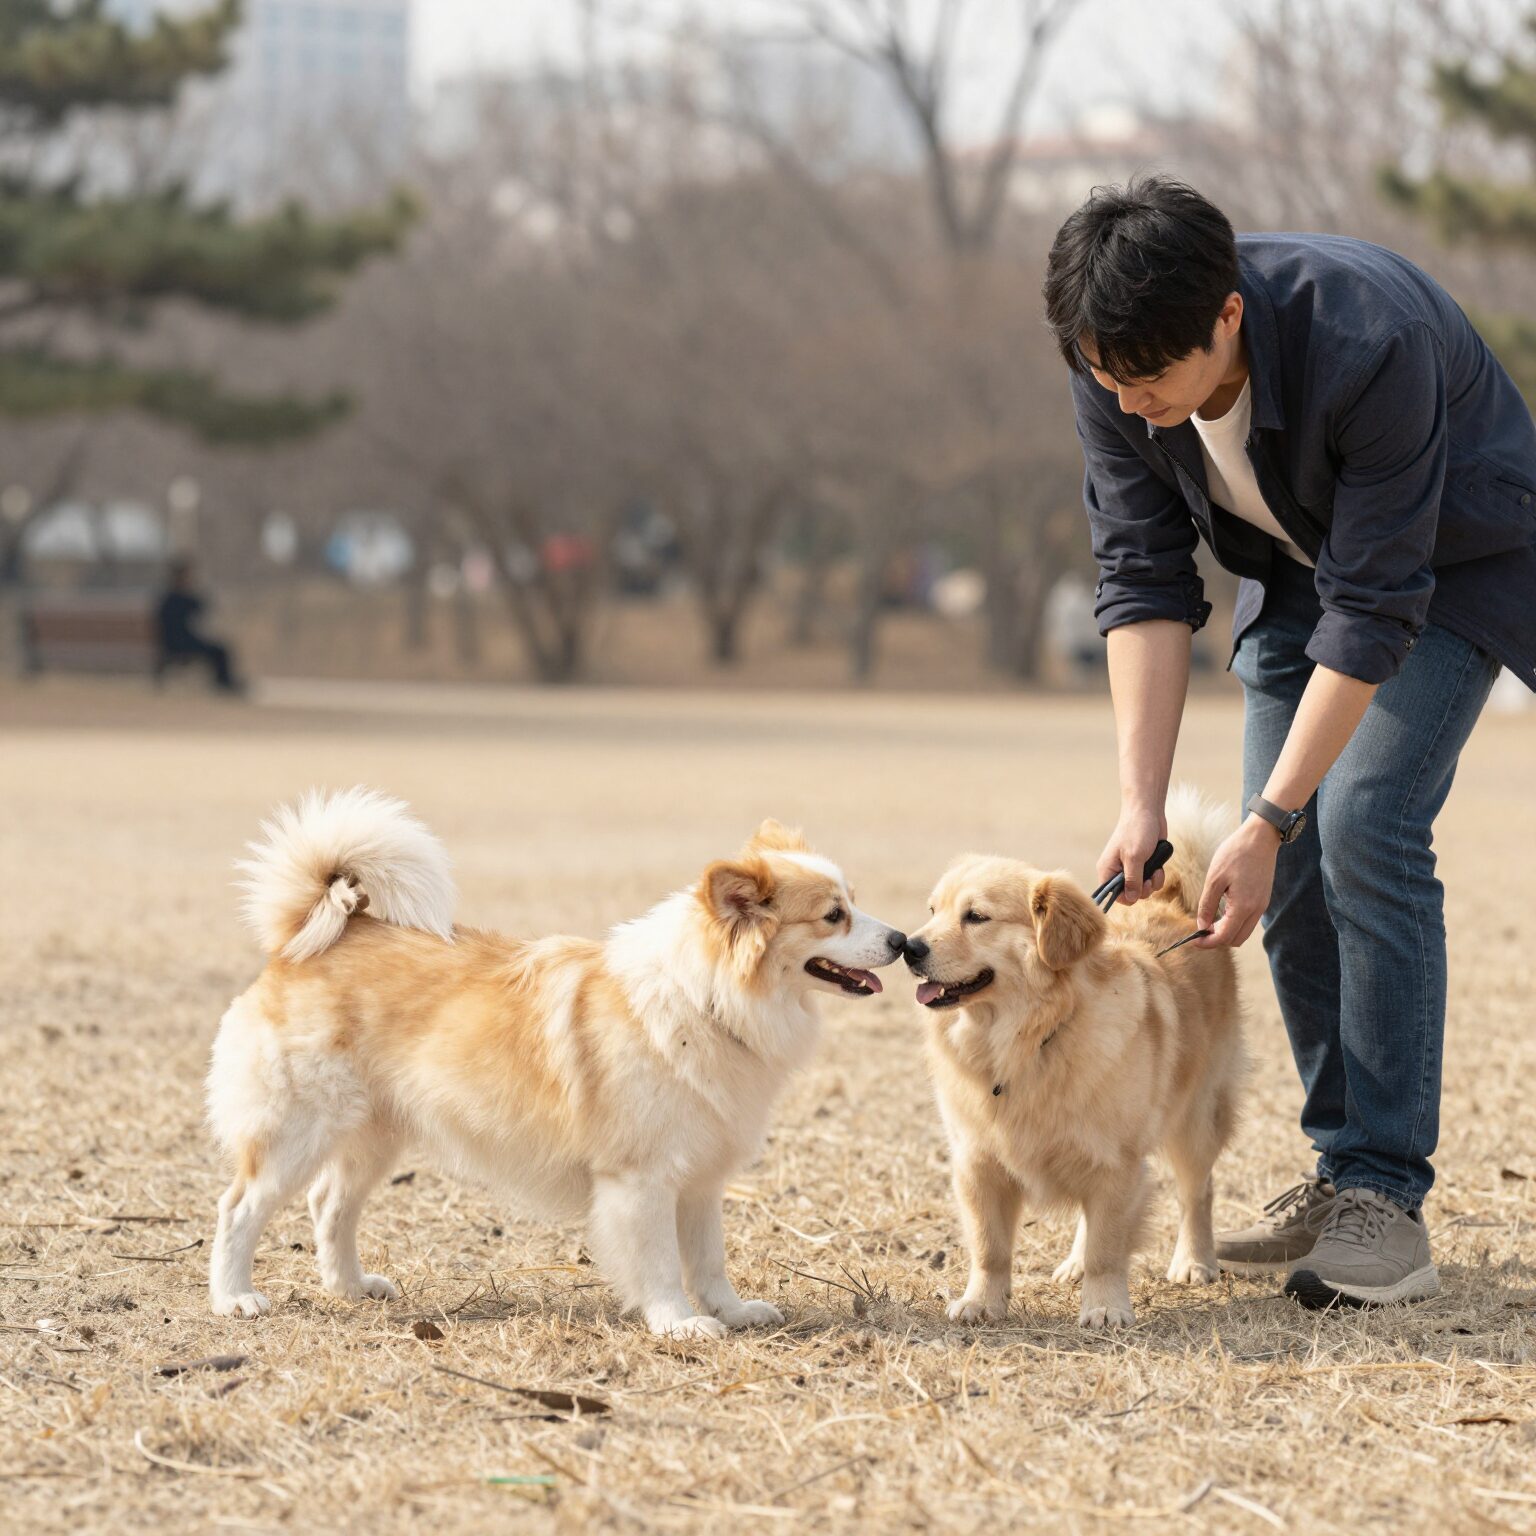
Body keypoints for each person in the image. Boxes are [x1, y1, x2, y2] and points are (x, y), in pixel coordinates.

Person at [1043, 177, 1536, 1310]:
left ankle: (1385, 1202)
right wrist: (1142, 808)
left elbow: (1375, 603)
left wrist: (1269, 815)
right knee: (1283, 866)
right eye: (1109, 382)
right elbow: (1144, 580)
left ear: (1228, 318)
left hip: (1451, 565)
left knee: (1353, 821)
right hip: (1297, 565)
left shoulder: (1371, 340)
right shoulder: (1115, 367)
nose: (1135, 409)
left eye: (1152, 384)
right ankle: (1335, 1172)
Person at [155, 559, 243, 694]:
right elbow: (200, 606)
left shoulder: (167, 598)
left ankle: (223, 681)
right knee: (219, 650)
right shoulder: (178, 598)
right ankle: (223, 683)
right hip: (181, 643)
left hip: (174, 643)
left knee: (217, 649)